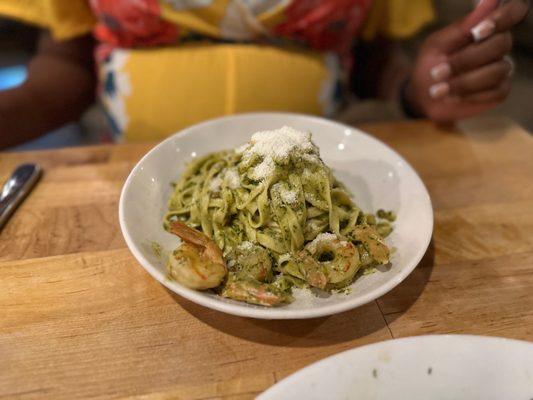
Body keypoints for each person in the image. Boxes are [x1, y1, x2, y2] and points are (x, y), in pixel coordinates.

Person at [0, 0, 529, 148]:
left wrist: (416, 89)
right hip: (130, 176)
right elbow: (65, 66)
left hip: (317, 176)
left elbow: (371, 61)